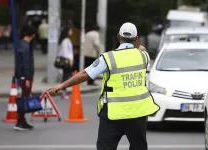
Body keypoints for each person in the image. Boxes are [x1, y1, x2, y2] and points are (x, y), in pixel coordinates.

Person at [47, 22, 160, 150]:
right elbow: (142, 49)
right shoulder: (143, 56)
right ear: (135, 38)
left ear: (118, 36)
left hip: (112, 113)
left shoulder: (108, 58)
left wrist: (61, 86)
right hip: (138, 113)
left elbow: (85, 74)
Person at [14, 25, 36, 131]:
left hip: (22, 76)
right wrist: (27, 78)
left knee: (24, 97)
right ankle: (20, 122)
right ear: (33, 35)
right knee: (24, 98)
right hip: (25, 77)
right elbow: (26, 64)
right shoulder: (26, 46)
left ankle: (21, 120)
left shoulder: (21, 44)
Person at [57, 25, 74, 99]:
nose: (71, 32)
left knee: (66, 77)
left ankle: (64, 92)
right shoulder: (65, 41)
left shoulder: (67, 40)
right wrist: (69, 60)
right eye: (70, 30)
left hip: (67, 61)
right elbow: (65, 52)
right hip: (66, 61)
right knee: (65, 77)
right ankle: (63, 93)